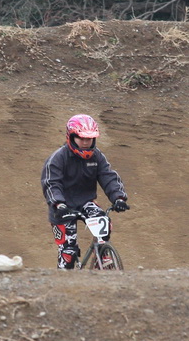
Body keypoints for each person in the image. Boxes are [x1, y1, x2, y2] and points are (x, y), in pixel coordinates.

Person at [41, 114, 130, 269]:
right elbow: (51, 183)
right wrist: (59, 204)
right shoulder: (58, 158)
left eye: (89, 139)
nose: (85, 142)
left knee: (104, 220)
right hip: (62, 208)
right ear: (71, 137)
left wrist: (119, 198)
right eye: (81, 138)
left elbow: (108, 176)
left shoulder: (97, 156)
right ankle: (64, 282)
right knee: (68, 252)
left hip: (85, 203)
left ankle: (101, 255)